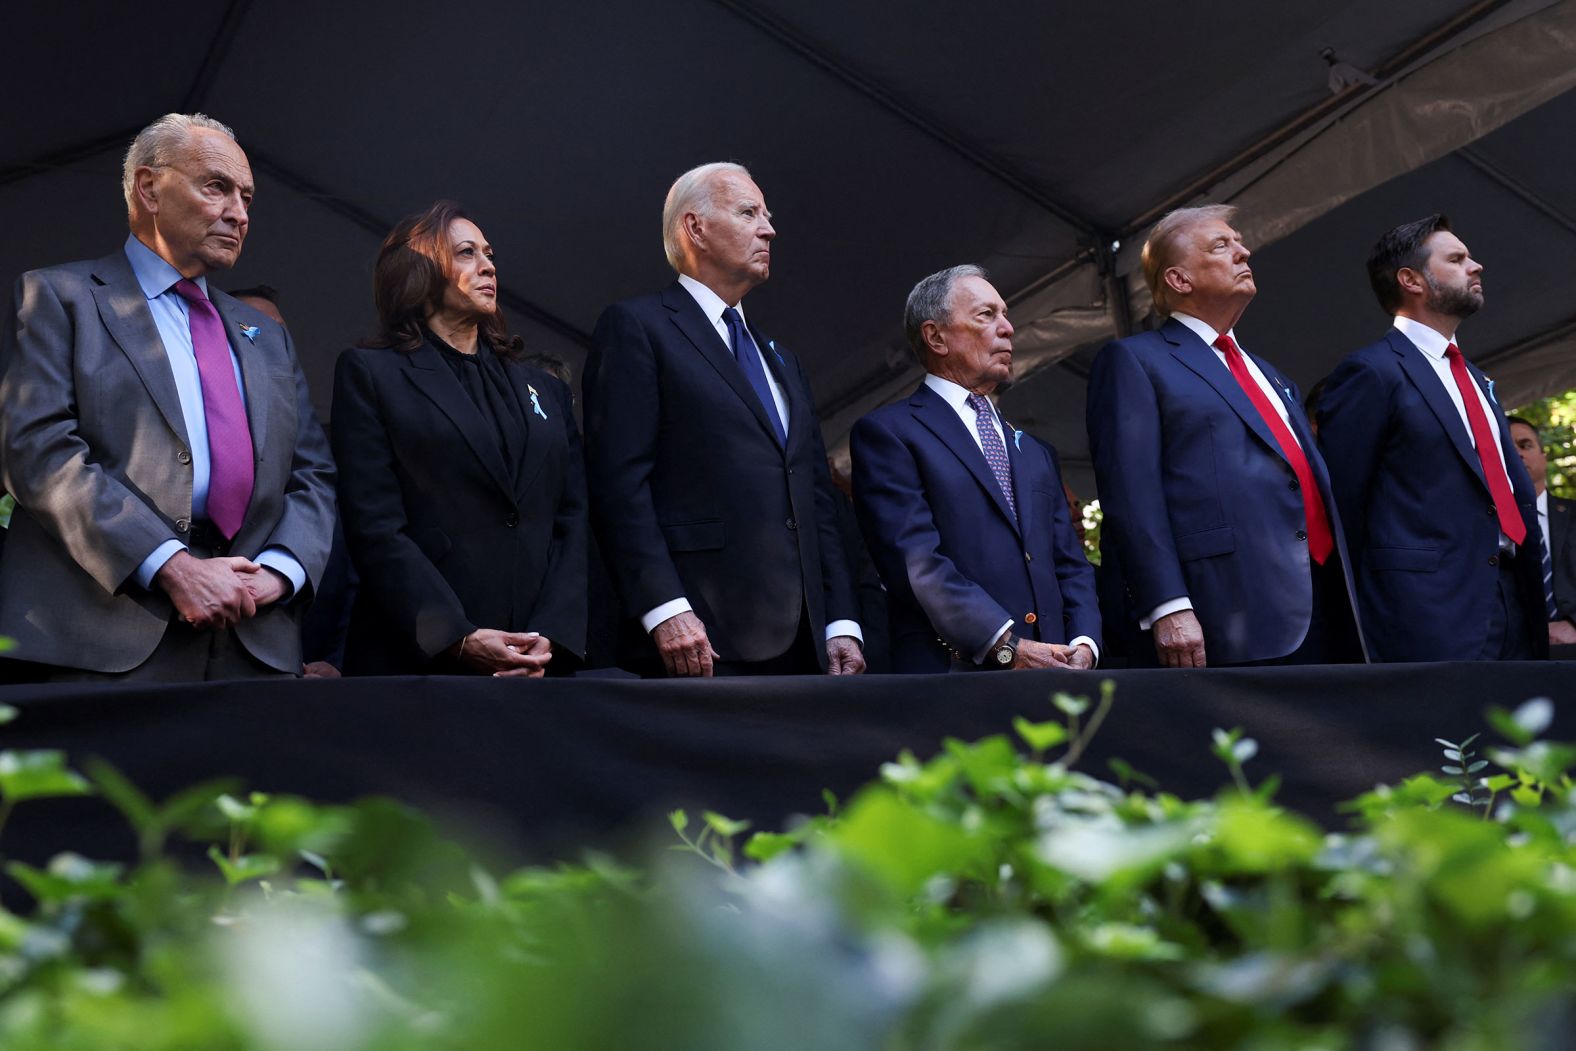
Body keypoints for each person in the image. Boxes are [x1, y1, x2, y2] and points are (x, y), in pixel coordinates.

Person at [0, 113, 335, 681]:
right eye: (217, 187)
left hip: (250, 640)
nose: (239, 213)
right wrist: (170, 565)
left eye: (247, 198)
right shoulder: (60, 297)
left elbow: (313, 475)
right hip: (102, 635)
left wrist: (279, 571)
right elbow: (37, 448)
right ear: (149, 188)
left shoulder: (266, 336)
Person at [584, 162, 862, 677]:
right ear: (696, 228)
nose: (769, 228)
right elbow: (618, 484)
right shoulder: (638, 328)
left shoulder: (781, 357)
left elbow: (814, 495)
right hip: (700, 638)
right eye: (749, 212)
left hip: (806, 641)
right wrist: (664, 608)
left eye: (767, 215)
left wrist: (839, 618)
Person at [1086, 204, 1363, 668]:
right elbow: (1130, 495)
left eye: (1239, 243)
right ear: (1178, 280)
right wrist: (1167, 604)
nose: (1243, 251)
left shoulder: (1272, 375)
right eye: (1222, 245)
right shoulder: (1135, 361)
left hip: (1324, 597)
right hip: (1230, 610)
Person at [331, 200, 586, 676]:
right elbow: (375, 525)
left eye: (488, 253)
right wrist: (454, 637)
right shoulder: (372, 374)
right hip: (421, 662)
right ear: (418, 272)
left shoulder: (545, 388)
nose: (488, 265)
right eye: (467, 253)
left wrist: (554, 635)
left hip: (540, 661)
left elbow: (574, 518)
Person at [852, 265, 1099, 672]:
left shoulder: (1035, 451)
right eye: (987, 315)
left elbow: (1070, 563)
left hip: (1060, 676)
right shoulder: (889, 434)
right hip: (953, 677)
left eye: (1005, 314)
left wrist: (1085, 642)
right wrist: (1006, 645)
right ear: (935, 337)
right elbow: (915, 561)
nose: (1008, 328)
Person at [1319, 215, 1544, 661]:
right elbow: (1343, 504)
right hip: (1424, 611)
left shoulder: (1477, 378)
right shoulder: (1371, 372)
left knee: (1512, 731)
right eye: (1457, 258)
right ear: (1412, 280)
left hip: (1511, 597)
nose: (1476, 266)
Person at [1508, 416, 1575, 649]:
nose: (1517, 453)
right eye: (1507, 446)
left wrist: (1573, 624)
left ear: (1544, 458)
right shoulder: (1487, 526)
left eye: (1525, 445)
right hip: (1515, 655)